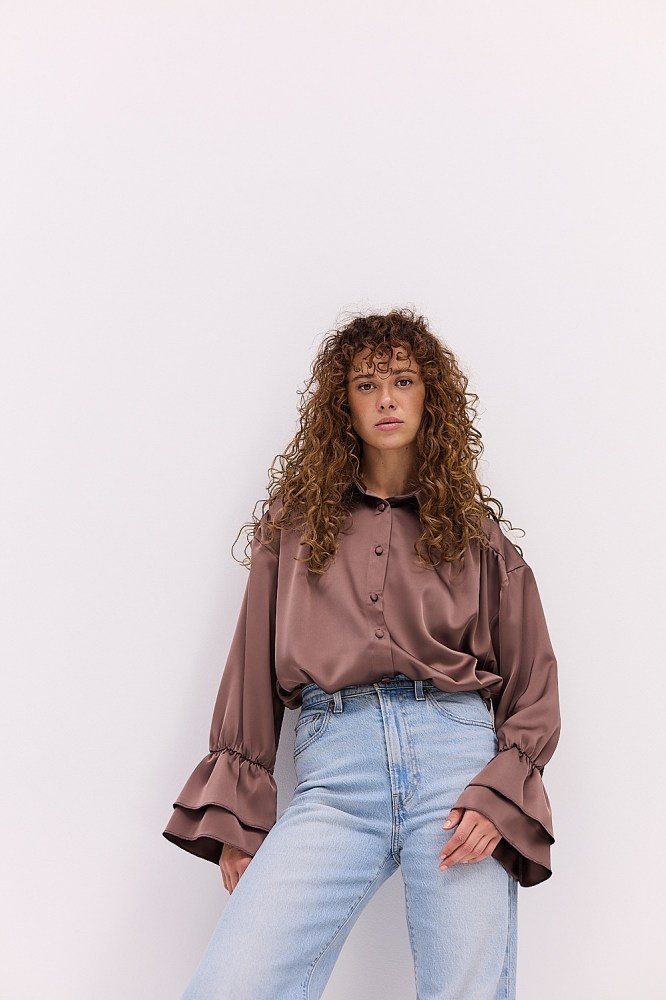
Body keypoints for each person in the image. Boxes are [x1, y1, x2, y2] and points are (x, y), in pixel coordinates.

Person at [163, 307, 561, 1000]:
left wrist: (502, 793)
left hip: (456, 770)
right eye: (366, 384)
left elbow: (533, 681)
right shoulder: (292, 529)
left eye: (403, 381)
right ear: (341, 404)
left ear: (429, 397)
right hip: (336, 778)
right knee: (232, 983)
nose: (385, 399)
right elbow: (251, 670)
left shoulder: (475, 536)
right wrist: (238, 818)